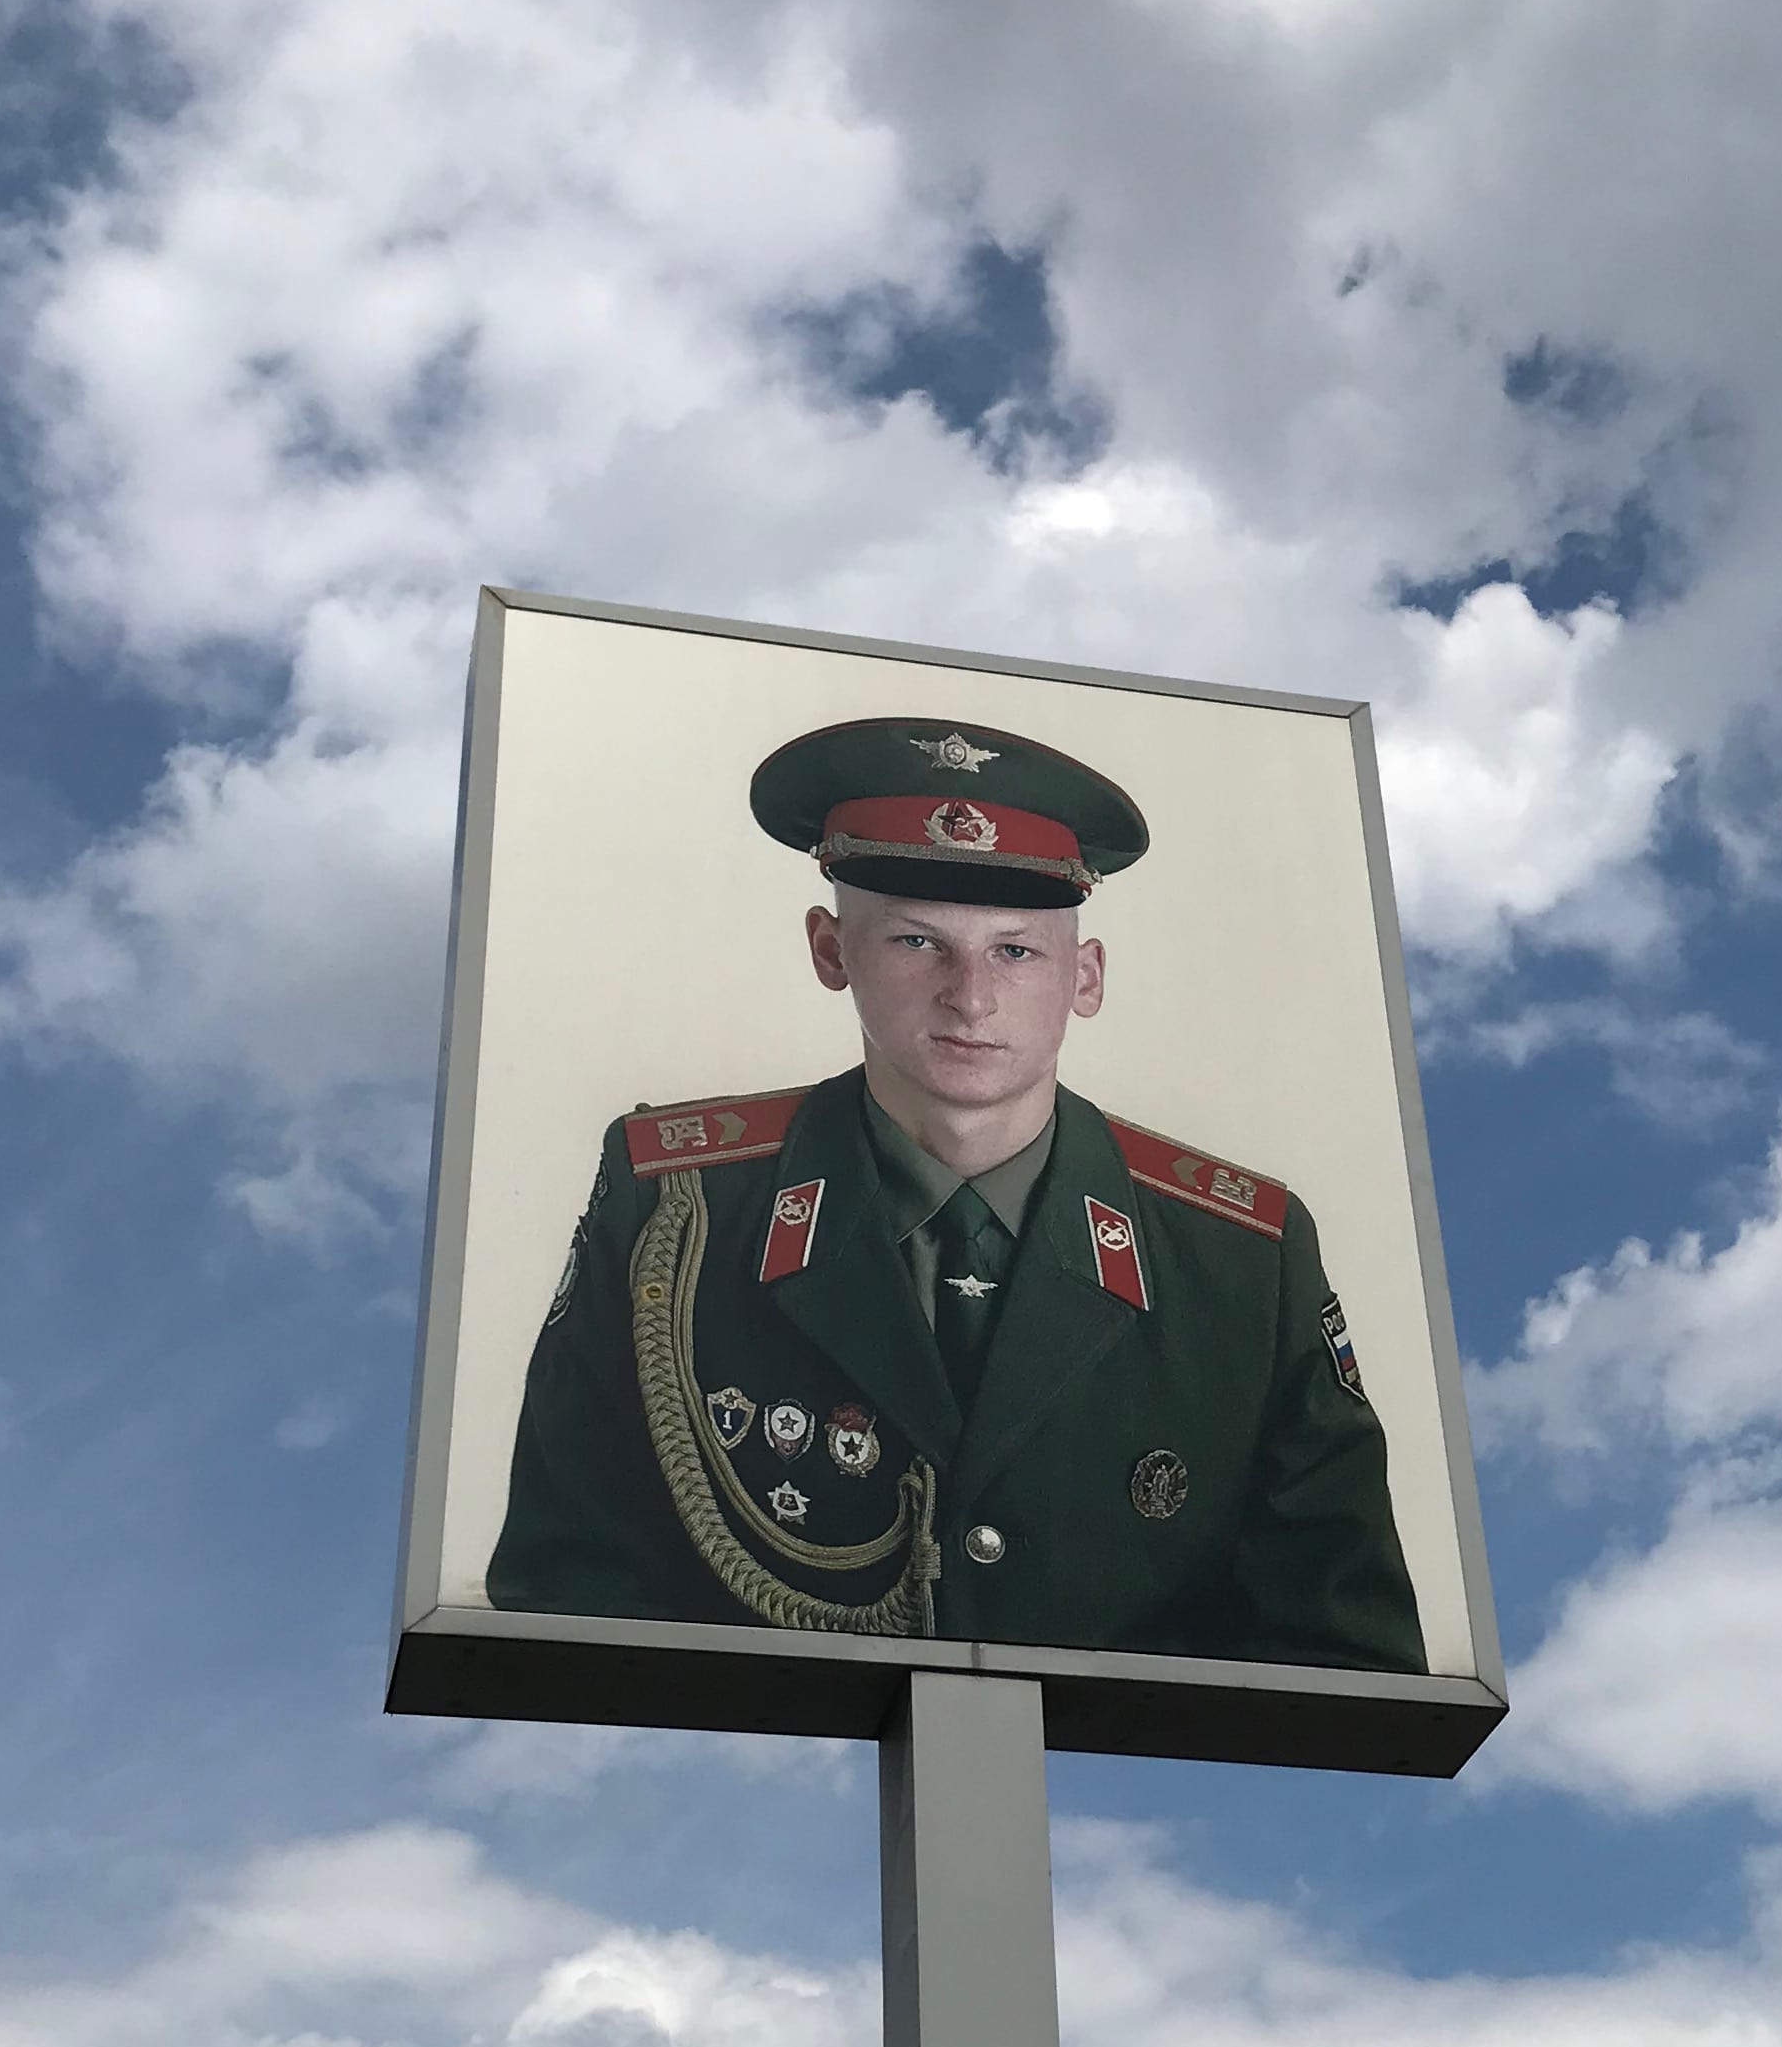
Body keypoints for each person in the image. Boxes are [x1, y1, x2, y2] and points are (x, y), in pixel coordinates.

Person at [486, 714, 1426, 1669]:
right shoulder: (673, 1206)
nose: (969, 998)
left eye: (1016, 950)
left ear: (1086, 976)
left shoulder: (1241, 1257)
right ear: (830, 951)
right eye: (914, 942)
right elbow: (563, 1602)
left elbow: (1347, 1661)